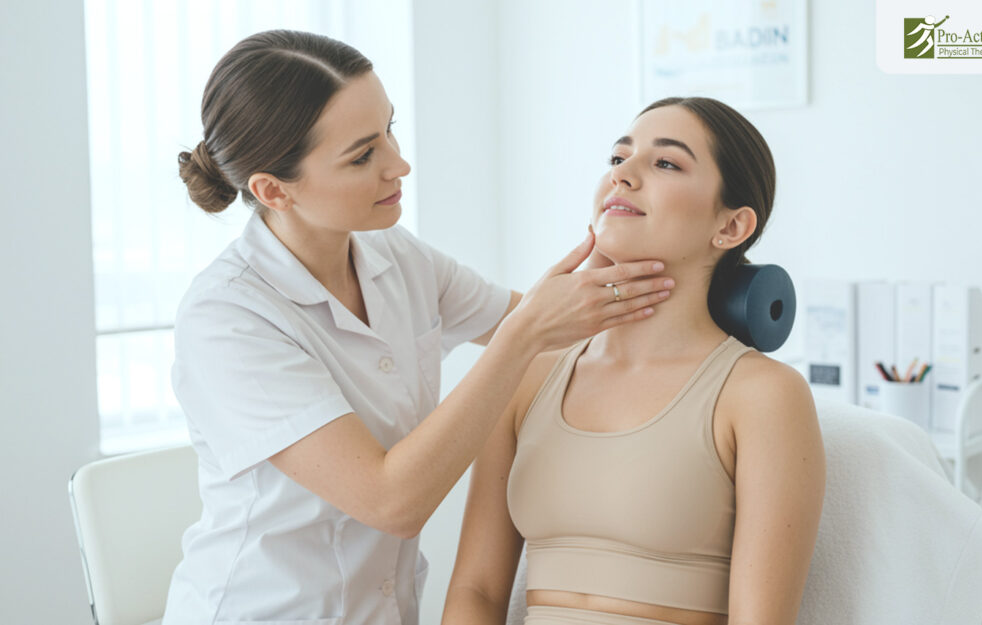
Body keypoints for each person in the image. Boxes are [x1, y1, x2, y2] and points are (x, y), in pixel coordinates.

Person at [163, 30, 674, 625]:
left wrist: (654, 267)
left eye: (389, 130)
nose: (399, 165)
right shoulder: (227, 318)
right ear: (273, 190)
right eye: (363, 156)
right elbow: (392, 503)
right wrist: (524, 337)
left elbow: (555, 326)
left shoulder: (394, 255)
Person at [442, 98, 827, 625]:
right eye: (617, 158)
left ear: (732, 227)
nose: (622, 174)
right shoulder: (528, 373)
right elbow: (477, 591)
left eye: (666, 162)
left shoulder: (761, 394)